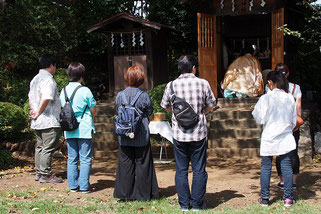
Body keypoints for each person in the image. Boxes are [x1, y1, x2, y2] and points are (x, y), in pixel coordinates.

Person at [161, 55, 216, 211]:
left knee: (181, 170)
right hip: (199, 132)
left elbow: (166, 106)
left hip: (179, 133)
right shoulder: (203, 83)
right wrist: (200, 113)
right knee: (199, 169)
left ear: (179, 68)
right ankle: (198, 204)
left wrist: (179, 115)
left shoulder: (171, 85)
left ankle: (184, 205)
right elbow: (211, 104)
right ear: (193, 68)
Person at [113, 65, 159, 201]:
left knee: (125, 164)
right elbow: (149, 114)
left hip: (124, 135)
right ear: (141, 79)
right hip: (141, 136)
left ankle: (125, 194)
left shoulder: (120, 96)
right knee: (143, 164)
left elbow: (118, 112)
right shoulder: (144, 96)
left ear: (127, 78)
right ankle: (143, 195)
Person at [252, 70, 297, 207]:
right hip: (285, 136)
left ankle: (265, 198)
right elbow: (293, 120)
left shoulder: (266, 98)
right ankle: (288, 198)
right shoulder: (289, 97)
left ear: (270, 83)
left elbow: (258, 118)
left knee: (266, 167)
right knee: (286, 167)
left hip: (269, 136)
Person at [59, 62, 97, 193]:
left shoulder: (63, 90)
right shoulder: (85, 90)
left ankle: (73, 186)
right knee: (85, 158)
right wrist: (91, 119)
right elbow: (93, 109)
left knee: (72, 158)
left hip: (69, 128)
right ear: (82, 75)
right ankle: (85, 186)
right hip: (84, 128)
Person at [28, 54, 63, 183]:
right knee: (47, 148)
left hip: (38, 121)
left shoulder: (35, 79)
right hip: (48, 119)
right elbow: (47, 97)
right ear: (51, 65)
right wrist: (39, 112)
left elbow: (31, 97)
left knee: (40, 147)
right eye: (55, 65)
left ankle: (39, 172)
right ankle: (46, 174)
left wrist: (34, 111)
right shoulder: (48, 79)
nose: (55, 68)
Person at [274, 63, 302, 189]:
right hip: (292, 125)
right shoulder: (295, 88)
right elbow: (298, 107)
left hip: (278, 125)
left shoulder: (272, 88)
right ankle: (294, 181)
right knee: (293, 152)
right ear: (288, 73)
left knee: (279, 153)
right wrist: (297, 122)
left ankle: (283, 181)